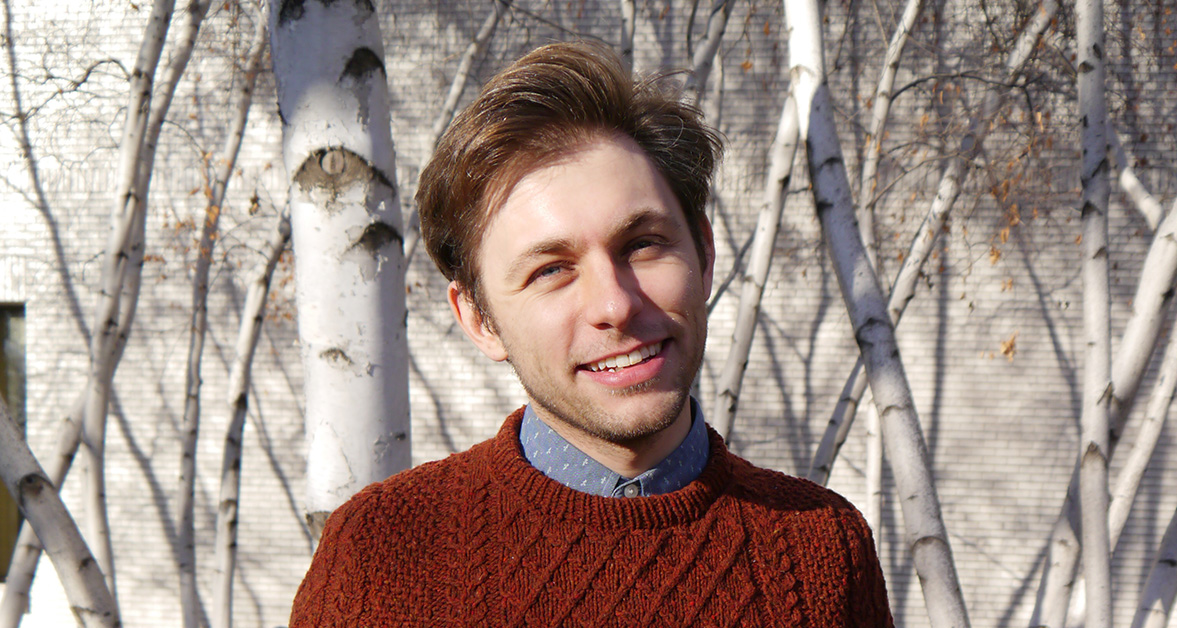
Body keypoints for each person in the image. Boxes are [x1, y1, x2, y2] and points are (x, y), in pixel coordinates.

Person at [289, 40, 893, 627]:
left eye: (643, 244)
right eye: (551, 270)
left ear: (704, 254)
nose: (615, 304)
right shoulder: (377, 557)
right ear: (480, 319)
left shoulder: (821, 551)